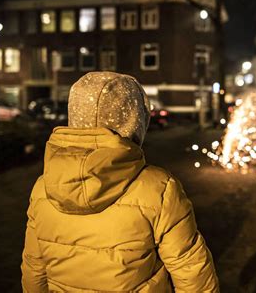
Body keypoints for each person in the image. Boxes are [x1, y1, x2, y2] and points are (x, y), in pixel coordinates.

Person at [21, 72, 219, 292]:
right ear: (134, 120)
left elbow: (34, 269)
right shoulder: (159, 188)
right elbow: (190, 270)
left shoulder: (43, 188)